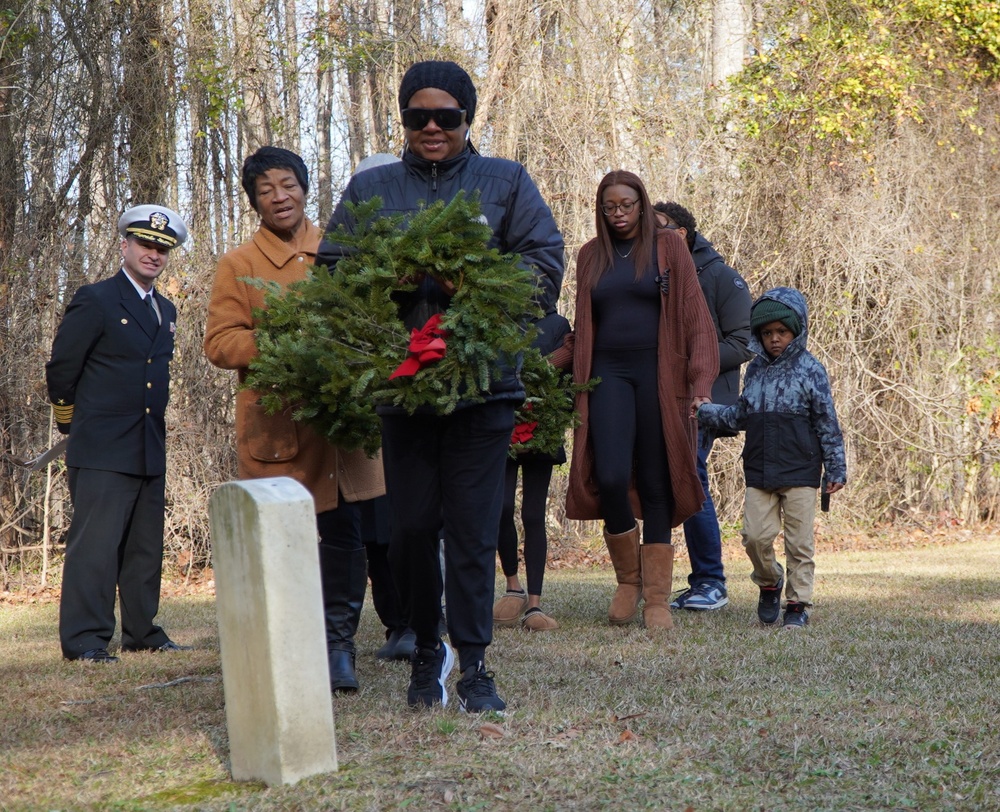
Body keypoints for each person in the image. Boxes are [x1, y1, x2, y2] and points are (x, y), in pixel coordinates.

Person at [317, 60, 564, 712]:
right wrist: (386, 285)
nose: (432, 127)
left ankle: (476, 666)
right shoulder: (372, 188)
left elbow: (544, 265)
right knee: (412, 530)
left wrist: (473, 284)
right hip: (404, 395)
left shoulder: (506, 182)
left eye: (446, 117)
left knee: (475, 530)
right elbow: (332, 272)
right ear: (403, 120)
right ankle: (428, 650)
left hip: (484, 390)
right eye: (417, 116)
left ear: (466, 119)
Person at [204, 146, 385, 692]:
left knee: (345, 538)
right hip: (280, 428)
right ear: (254, 202)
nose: (280, 197)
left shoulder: (340, 249)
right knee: (284, 541)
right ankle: (287, 646)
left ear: (305, 188)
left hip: (344, 427)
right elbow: (220, 343)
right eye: (266, 191)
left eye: (288, 185)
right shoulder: (239, 264)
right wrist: (284, 338)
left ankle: (338, 649)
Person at [559, 171, 718, 630]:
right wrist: (545, 366)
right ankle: (627, 579)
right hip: (607, 375)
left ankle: (656, 598)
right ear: (600, 210)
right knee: (608, 474)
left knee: (655, 480)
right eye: (610, 207)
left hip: (657, 374)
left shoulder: (669, 248)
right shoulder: (590, 256)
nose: (619, 214)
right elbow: (582, 330)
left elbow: (695, 317)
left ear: (642, 204)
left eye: (627, 205)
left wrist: (702, 381)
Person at [46, 204, 190, 662]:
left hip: (147, 443)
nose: (154, 254)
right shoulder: (97, 298)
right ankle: (86, 639)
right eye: (146, 244)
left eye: (162, 248)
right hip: (102, 445)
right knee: (96, 547)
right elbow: (62, 368)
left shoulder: (165, 309)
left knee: (144, 547)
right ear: (124, 244)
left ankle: (142, 631)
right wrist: (70, 420)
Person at [697, 287, 846, 629]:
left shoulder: (811, 370)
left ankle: (798, 605)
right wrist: (706, 411)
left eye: (782, 332)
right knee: (754, 537)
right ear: (758, 335)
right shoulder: (755, 371)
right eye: (767, 333)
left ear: (796, 331)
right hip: (760, 469)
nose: (774, 340)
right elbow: (740, 416)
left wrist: (835, 467)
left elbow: (827, 422)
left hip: (802, 470)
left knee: (799, 544)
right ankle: (769, 580)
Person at [652, 201, 753, 612]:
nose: (654, 236)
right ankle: (672, 584)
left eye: (662, 229)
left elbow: (744, 341)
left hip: (702, 399)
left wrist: (694, 364)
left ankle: (711, 582)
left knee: (691, 478)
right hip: (658, 396)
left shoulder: (720, 276)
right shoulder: (652, 274)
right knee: (664, 483)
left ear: (683, 232)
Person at [493, 310, 572, 632]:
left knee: (533, 515)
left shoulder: (556, 325)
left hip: (543, 428)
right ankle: (513, 586)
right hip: (502, 426)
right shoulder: (500, 319)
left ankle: (535, 604)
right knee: (501, 507)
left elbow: (567, 380)